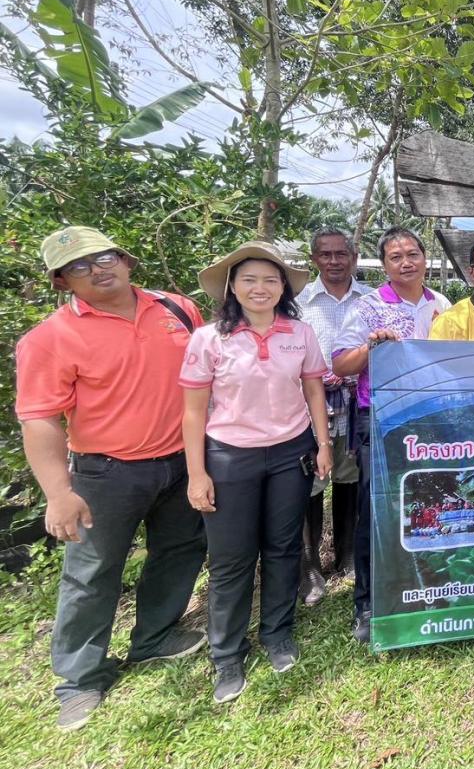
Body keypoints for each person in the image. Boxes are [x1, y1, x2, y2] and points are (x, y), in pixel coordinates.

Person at [15, 227, 208, 732]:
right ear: (62, 281)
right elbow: (39, 419)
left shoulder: (177, 309)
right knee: (92, 572)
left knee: (180, 550)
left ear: (125, 259)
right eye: (79, 266)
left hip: (184, 460)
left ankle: (154, 637)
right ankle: (80, 678)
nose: (97, 270)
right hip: (107, 471)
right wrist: (59, 493)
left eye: (104, 258)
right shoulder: (49, 339)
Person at [181, 242, 332, 703]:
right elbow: (193, 412)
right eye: (249, 280)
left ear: (283, 287)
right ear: (232, 287)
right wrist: (196, 473)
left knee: (284, 548)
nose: (260, 288)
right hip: (230, 456)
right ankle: (227, 653)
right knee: (232, 559)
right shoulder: (209, 339)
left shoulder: (300, 333)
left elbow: (313, 391)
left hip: (291, 453)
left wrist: (323, 445)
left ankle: (277, 633)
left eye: (270, 280)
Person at [331, 227, 451, 643]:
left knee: (430, 506)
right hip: (381, 418)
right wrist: (371, 348)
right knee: (376, 510)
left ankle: (426, 588)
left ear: (424, 258)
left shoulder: (442, 305)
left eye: (412, 254)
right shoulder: (368, 307)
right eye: (396, 257)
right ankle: (368, 603)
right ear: (384, 265)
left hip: (431, 420)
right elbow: (341, 365)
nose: (406, 262)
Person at [296, 227, 371, 604]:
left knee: (351, 477)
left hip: (356, 404)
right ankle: (309, 567)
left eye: (341, 254)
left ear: (353, 257)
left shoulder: (371, 299)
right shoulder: (299, 303)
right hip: (310, 405)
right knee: (309, 484)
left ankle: (347, 554)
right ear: (314, 259)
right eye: (325, 254)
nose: (334, 261)